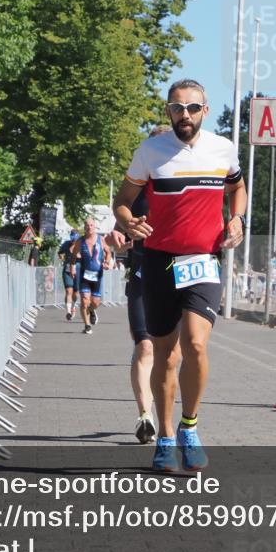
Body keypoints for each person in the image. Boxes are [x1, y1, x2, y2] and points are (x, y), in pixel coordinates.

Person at [113, 78, 246, 472]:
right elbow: (121, 201)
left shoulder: (222, 149)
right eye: (175, 108)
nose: (183, 115)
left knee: (197, 345)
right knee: (166, 356)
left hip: (203, 260)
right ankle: (166, 437)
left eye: (191, 108)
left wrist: (236, 219)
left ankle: (190, 427)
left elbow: (238, 187)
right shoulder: (151, 151)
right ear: (168, 111)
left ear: (205, 110)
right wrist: (129, 221)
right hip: (158, 262)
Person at [106, 125, 175, 444]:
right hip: (143, 275)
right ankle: (145, 415)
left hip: (177, 277)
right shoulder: (136, 188)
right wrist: (117, 237)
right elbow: (116, 232)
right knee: (145, 346)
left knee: (173, 354)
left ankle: (170, 420)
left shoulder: (182, 185)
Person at [70, 218, 113, 335]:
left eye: (91, 225)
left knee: (95, 303)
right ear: (84, 227)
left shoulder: (100, 239)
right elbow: (73, 256)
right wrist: (72, 267)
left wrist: (107, 262)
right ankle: (87, 325)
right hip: (84, 276)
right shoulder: (80, 241)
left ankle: (92, 310)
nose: (89, 227)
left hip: (97, 276)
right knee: (84, 301)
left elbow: (108, 252)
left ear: (95, 227)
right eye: (87, 225)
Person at [58, 228, 79, 320]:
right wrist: (63, 260)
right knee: (68, 291)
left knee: (76, 294)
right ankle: (68, 312)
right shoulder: (66, 244)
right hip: (67, 270)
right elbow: (60, 253)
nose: (73, 238)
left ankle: (73, 306)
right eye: (72, 235)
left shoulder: (81, 244)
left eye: (74, 236)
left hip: (78, 270)